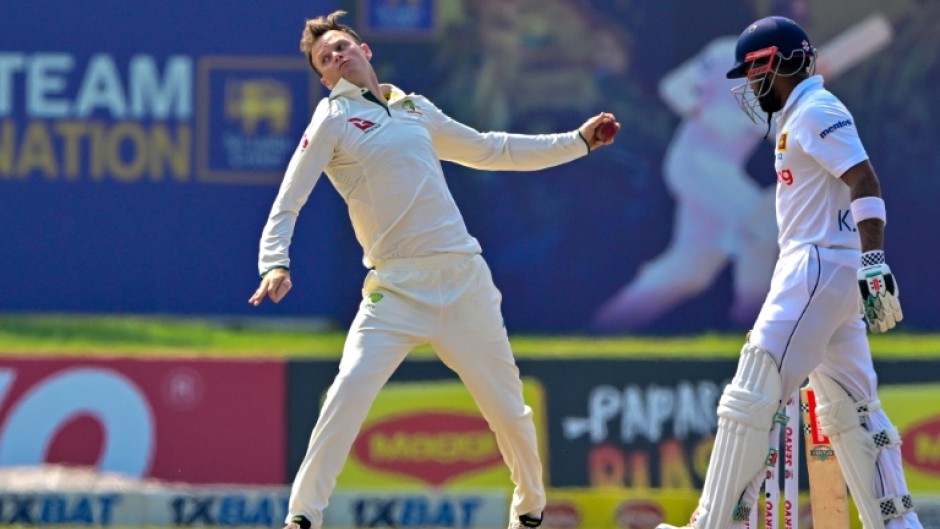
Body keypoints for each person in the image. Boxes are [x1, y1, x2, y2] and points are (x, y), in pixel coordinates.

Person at [247, 10, 619, 529]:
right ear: (326, 78)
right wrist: (275, 264)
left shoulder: (414, 107)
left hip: (463, 279)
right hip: (395, 289)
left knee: (509, 411)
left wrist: (576, 142)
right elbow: (289, 199)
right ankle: (302, 517)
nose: (336, 57)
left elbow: (490, 149)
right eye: (324, 59)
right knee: (347, 390)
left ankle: (530, 510)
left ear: (364, 50)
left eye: (340, 47)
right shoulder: (331, 119)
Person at [656, 16, 918, 529]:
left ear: (778, 64)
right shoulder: (798, 113)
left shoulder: (816, 110)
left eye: (754, 75)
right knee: (853, 412)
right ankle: (897, 525)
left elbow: (864, 179)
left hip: (816, 267)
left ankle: (713, 524)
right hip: (828, 272)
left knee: (753, 391)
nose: (751, 87)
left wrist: (873, 259)